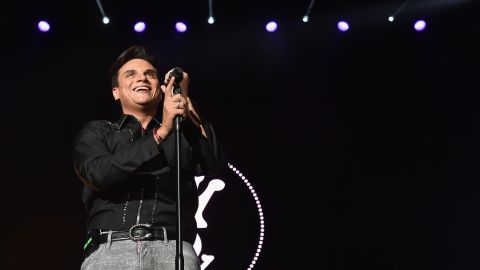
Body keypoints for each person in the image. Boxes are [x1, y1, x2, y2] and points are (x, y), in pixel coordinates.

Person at [73, 45, 224, 270]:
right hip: (110, 250)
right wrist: (161, 133)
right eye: (131, 74)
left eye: (150, 74)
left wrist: (185, 101)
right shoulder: (99, 132)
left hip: (172, 250)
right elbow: (98, 174)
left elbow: (213, 163)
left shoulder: (181, 133)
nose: (142, 78)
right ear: (116, 91)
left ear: (160, 88)